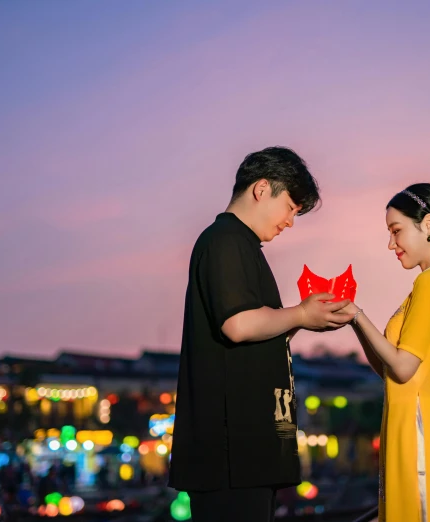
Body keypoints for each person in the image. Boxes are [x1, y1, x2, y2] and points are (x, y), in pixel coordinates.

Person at [169, 146, 355, 522]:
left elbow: (258, 332)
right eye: (290, 207)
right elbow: (237, 325)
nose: (290, 221)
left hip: (247, 453)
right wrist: (300, 313)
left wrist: (303, 318)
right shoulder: (225, 240)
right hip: (231, 456)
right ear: (261, 188)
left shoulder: (244, 246)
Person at [338, 183, 430, 521]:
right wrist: (354, 320)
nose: (390, 243)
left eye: (396, 231)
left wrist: (358, 315)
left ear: (428, 224)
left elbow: (402, 369)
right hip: (416, 425)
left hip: (419, 432)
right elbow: (390, 368)